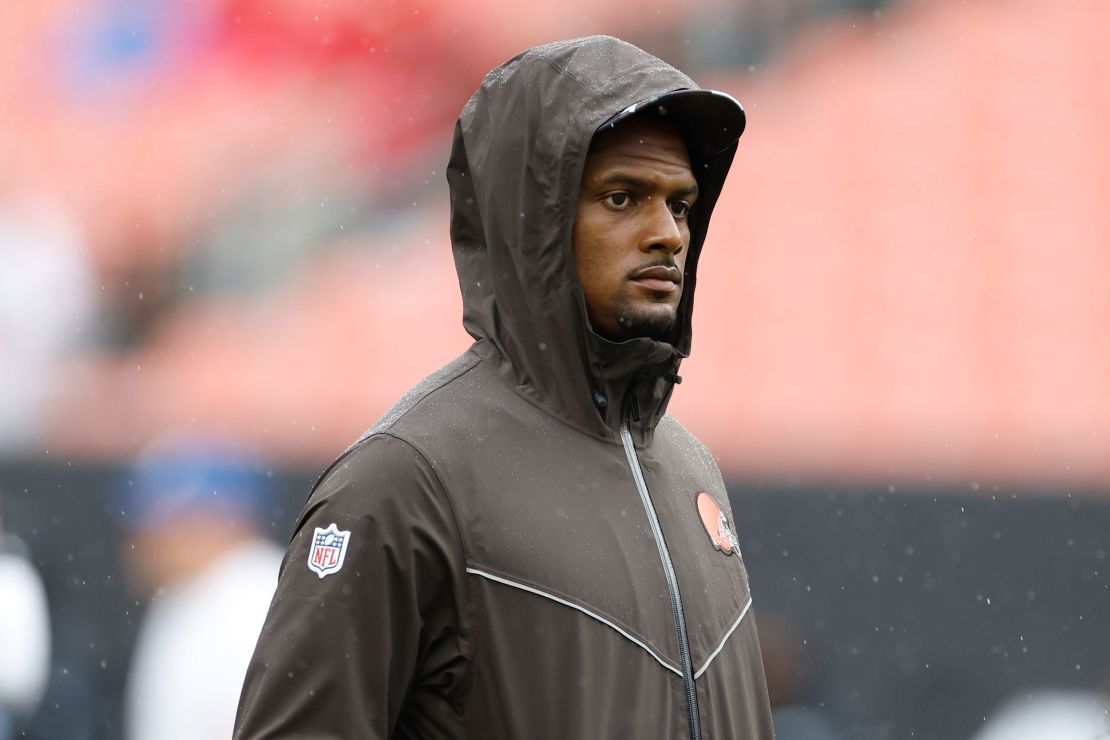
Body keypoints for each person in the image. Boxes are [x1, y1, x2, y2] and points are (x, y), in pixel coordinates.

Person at [235, 35, 773, 739]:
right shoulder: (406, 480)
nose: (668, 234)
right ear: (533, 221)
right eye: (622, 197)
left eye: (680, 204)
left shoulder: (690, 470)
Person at [118, 436, 283, 740]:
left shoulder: (257, 598)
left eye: (156, 528)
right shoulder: (182, 593)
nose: (136, 544)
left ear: (206, 521)